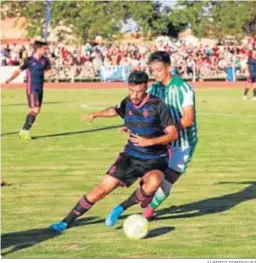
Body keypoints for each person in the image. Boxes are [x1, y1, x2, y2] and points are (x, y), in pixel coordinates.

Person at [49, 71, 178, 233]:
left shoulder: (158, 105)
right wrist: (96, 114)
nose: (134, 95)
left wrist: (149, 141)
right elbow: (115, 110)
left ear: (146, 87)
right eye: (131, 91)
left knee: (154, 182)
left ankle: (121, 207)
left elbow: (173, 133)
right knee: (100, 190)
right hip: (131, 156)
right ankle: (65, 222)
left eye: (138, 91)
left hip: (155, 158)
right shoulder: (128, 102)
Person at [106, 51, 198, 225]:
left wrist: (167, 132)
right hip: (159, 146)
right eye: (152, 70)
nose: (155, 74)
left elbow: (187, 119)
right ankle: (143, 199)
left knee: (167, 182)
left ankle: (145, 212)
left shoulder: (183, 88)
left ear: (168, 68)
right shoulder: (154, 88)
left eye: (159, 70)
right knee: (152, 179)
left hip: (182, 143)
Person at [5, 41, 51, 140]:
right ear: (39, 49)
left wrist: (51, 73)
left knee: (36, 110)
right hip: (32, 88)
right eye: (45, 49)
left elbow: (48, 71)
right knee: (35, 109)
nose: (46, 50)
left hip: (40, 88)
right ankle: (24, 130)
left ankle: (24, 130)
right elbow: (18, 71)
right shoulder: (29, 60)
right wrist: (9, 79)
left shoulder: (45, 60)